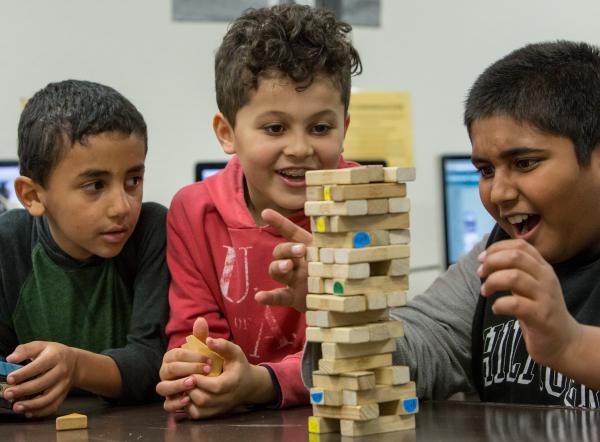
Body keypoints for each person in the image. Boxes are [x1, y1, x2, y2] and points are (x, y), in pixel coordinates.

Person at [260, 40, 600, 408]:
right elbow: (414, 350)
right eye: (485, 170)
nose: (498, 192)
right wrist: (341, 303)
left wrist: (569, 344)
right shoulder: (493, 260)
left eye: (525, 163)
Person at [155, 4, 361, 418]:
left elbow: (365, 350)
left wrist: (261, 383)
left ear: (345, 127)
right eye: (275, 128)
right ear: (227, 133)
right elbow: (193, 337)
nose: (301, 148)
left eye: (321, 128)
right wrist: (193, 370)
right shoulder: (194, 212)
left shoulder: (361, 202)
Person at [0, 79, 170, 417]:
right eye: (95, 185)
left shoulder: (152, 229)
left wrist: (75, 365)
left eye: (133, 180)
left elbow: (154, 361)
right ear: (33, 196)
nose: (122, 206)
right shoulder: (9, 244)